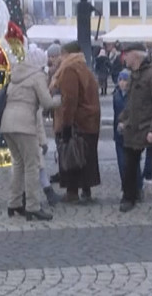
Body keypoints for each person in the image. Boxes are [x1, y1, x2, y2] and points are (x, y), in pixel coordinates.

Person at [1, 45, 61, 221]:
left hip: (7, 124)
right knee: (32, 166)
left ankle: (14, 204)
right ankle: (33, 207)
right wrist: (60, 100)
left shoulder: (15, 76)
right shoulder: (37, 76)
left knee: (18, 164)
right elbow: (47, 102)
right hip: (24, 125)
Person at [117, 43, 152, 221]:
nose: (124, 58)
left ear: (135, 55)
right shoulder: (136, 74)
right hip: (135, 127)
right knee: (130, 164)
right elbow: (133, 102)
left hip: (151, 129)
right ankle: (130, 197)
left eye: (126, 54)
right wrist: (123, 119)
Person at [50, 41, 101, 203]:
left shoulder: (69, 69)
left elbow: (70, 99)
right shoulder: (84, 68)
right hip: (90, 120)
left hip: (78, 121)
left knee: (72, 155)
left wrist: (66, 124)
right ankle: (86, 190)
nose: (58, 58)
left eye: (60, 54)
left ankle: (72, 192)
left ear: (66, 54)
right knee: (87, 157)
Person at [112, 69, 152, 195]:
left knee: (132, 163)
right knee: (121, 162)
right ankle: (126, 187)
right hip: (119, 134)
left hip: (132, 133)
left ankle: (137, 188)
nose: (123, 83)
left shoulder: (134, 95)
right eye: (121, 80)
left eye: (125, 80)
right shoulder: (116, 94)